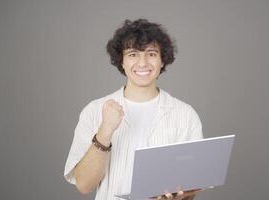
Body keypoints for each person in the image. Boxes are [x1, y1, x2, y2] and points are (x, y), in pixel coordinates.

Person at [64, 19, 203, 200]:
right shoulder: (94, 110)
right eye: (133, 54)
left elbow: (191, 188)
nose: (143, 63)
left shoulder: (185, 115)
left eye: (152, 54)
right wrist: (105, 131)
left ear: (163, 61)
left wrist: (179, 197)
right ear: (121, 61)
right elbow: (84, 185)